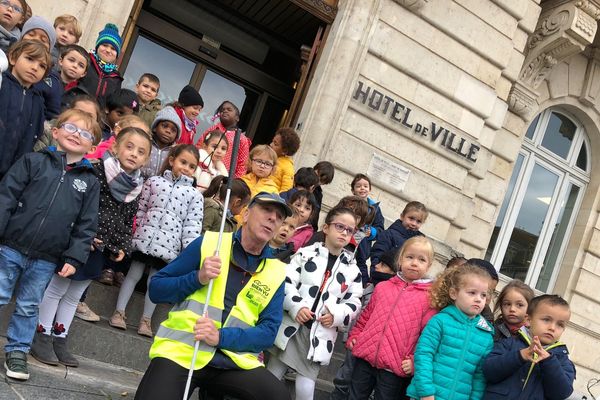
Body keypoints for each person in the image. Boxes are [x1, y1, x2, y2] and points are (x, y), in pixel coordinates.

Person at [134, 192, 293, 400]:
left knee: (278, 396)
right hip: (184, 351)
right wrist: (197, 278)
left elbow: (268, 332)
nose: (273, 218)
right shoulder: (210, 243)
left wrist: (221, 336)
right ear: (245, 215)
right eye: (266, 210)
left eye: (279, 216)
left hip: (233, 361)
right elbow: (156, 289)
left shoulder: (276, 271)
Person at [30, 126, 151, 368]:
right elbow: (77, 201)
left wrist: (123, 246)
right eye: (129, 147)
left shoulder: (136, 186)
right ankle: (40, 335)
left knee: (75, 295)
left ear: (146, 159)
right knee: (57, 288)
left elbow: (128, 220)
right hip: (78, 242)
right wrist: (84, 232)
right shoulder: (95, 170)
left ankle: (59, 337)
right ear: (115, 147)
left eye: (141, 151)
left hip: (102, 248)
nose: (134, 154)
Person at [0, 108, 101, 380]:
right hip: (11, 245)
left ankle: (18, 351)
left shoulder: (90, 182)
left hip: (46, 257)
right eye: (70, 128)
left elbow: (86, 224)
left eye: (85, 134)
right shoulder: (33, 161)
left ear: (93, 146)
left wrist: (74, 257)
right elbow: (6, 197)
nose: (76, 135)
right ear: (55, 131)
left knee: (28, 305)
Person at [267, 206, 363, 400]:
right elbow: (286, 282)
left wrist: (336, 315)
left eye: (349, 230)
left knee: (305, 385)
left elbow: (354, 302)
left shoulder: (352, 269)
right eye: (340, 226)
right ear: (326, 228)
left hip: (319, 333)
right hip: (293, 326)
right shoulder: (306, 253)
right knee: (272, 375)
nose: (344, 233)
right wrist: (297, 306)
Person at [109, 144, 203, 337]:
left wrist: (189, 251)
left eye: (191, 166)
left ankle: (146, 320)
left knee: (155, 282)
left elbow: (192, 225)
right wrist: (134, 233)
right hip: (144, 239)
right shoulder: (154, 182)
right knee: (132, 275)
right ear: (172, 160)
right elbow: (141, 208)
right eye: (183, 162)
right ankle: (119, 312)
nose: (186, 168)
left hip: (168, 246)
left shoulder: (195, 195)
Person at [348, 236, 437, 400]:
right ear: (400, 259)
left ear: (429, 265)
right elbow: (365, 316)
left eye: (421, 259)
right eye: (409, 257)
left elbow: (428, 336)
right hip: (366, 356)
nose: (414, 263)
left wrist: (414, 360)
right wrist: (355, 335)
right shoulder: (383, 287)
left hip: (395, 366)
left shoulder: (430, 298)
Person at [406, 264, 494, 400]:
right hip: (426, 396)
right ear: (454, 293)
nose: (478, 299)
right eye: (472, 292)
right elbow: (423, 355)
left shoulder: (486, 334)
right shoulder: (440, 321)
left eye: (483, 295)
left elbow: (479, 376)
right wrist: (426, 392)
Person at [483, 295, 575, 400]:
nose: (552, 328)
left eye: (560, 325)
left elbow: (561, 394)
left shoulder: (563, 360)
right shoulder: (509, 343)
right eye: (546, 320)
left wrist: (549, 362)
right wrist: (520, 356)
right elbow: (488, 371)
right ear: (528, 320)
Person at [0, 40, 49, 179]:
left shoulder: (38, 101)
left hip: (12, 173)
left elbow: (34, 134)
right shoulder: (2, 83)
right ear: (13, 58)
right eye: (29, 59)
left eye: (42, 66)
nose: (35, 67)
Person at [370, 201, 428, 286]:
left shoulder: (420, 242)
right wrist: (376, 277)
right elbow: (377, 255)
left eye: (418, 221)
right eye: (411, 218)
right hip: (383, 281)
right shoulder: (389, 234)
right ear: (402, 216)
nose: (414, 224)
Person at [20, 15, 61, 120]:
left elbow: (53, 115)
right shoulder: (5, 63)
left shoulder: (52, 81)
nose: (36, 40)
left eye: (43, 40)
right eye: (31, 34)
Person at [198, 101, 251, 178]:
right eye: (222, 110)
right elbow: (199, 146)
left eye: (229, 110)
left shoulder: (241, 138)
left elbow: (242, 164)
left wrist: (232, 182)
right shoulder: (212, 129)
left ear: (237, 118)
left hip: (224, 179)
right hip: (204, 171)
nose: (225, 111)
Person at [350, 174, 385, 287]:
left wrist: (372, 232)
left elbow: (380, 230)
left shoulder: (375, 209)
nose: (362, 188)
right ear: (353, 190)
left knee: (361, 274)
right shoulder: (347, 203)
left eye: (365, 186)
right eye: (358, 186)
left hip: (363, 248)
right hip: (346, 243)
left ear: (369, 189)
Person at [34, 94, 102, 152]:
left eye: (89, 116)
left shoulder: (99, 150)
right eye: (78, 112)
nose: (83, 118)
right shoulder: (47, 131)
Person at [77, 23, 123, 106]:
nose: (108, 50)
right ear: (97, 47)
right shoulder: (85, 61)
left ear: (117, 54)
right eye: (105, 45)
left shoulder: (117, 78)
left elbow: (112, 105)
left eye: (113, 48)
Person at [141, 105, 182, 179]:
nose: (168, 131)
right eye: (164, 126)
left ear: (176, 136)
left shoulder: (174, 153)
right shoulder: (145, 144)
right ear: (155, 128)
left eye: (173, 130)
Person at [467, 258, 499, 325]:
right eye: (473, 292)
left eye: (491, 292)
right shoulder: (442, 318)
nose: (488, 298)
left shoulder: (489, 322)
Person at [270, 127, 301, 192]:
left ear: (285, 151)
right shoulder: (267, 156)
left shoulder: (288, 168)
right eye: (272, 141)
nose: (271, 145)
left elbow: (285, 192)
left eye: (275, 144)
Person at [310, 161, 335, 230]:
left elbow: (315, 217)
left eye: (322, 181)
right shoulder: (300, 178)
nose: (317, 180)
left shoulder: (318, 194)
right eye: (317, 175)